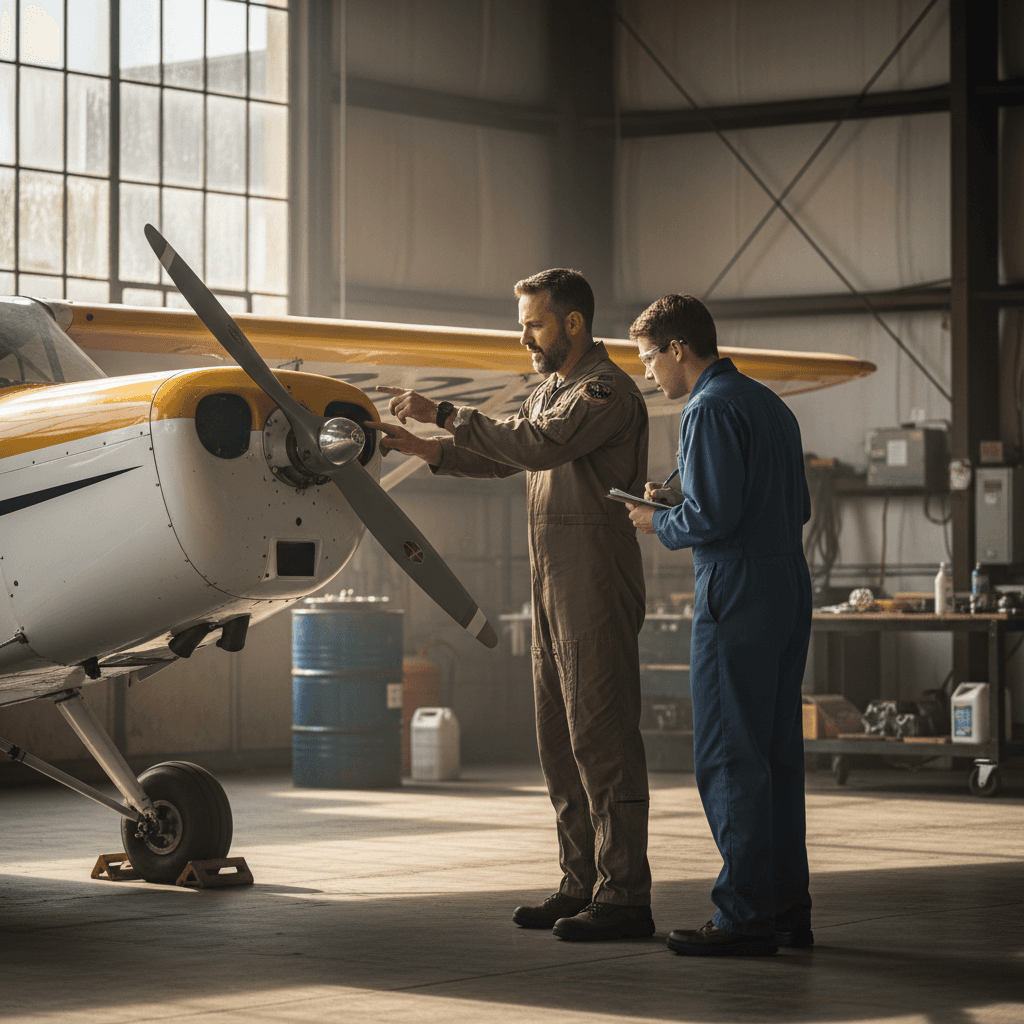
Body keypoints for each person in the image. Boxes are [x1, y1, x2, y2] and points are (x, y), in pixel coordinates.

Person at [368, 269, 654, 942]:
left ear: (573, 323)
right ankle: (580, 882)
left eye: (533, 323)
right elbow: (509, 458)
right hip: (552, 581)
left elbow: (536, 445)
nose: (523, 336)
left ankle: (625, 896)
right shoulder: (552, 389)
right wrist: (432, 450)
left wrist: (445, 414)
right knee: (558, 742)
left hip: (593, 580)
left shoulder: (604, 391)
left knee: (602, 739)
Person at [625, 293, 813, 957]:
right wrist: (684, 496)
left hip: (735, 586)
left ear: (678, 348)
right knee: (777, 753)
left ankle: (742, 916)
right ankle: (786, 909)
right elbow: (793, 505)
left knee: (730, 753)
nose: (648, 373)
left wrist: (658, 520)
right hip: (788, 582)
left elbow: (711, 518)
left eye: (650, 358)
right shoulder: (769, 404)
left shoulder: (705, 408)